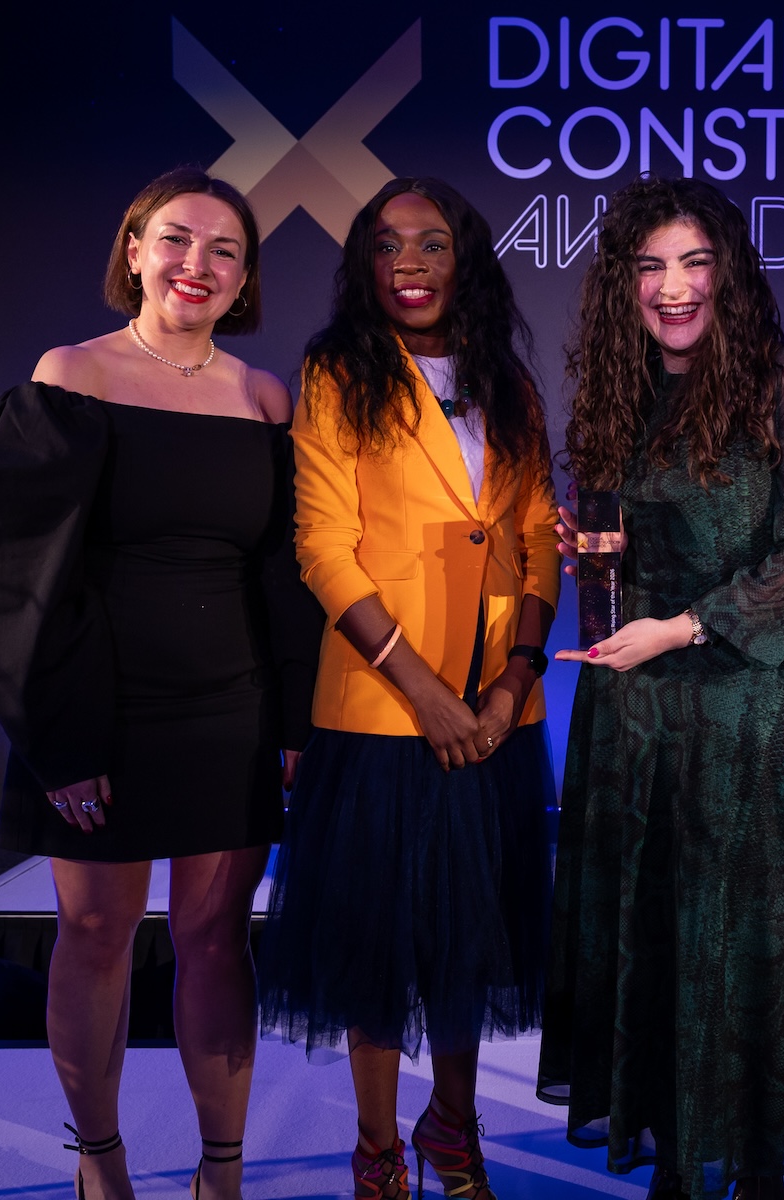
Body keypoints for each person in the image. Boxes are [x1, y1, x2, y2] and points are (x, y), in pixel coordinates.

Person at [0, 167, 321, 1200]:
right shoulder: (72, 374)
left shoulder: (263, 395)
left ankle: (220, 1172)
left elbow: (284, 575)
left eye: (225, 250)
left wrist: (295, 716)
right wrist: (59, 739)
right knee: (98, 934)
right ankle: (99, 1159)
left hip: (232, 712)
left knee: (215, 940)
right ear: (136, 250)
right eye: (178, 240)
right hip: (98, 709)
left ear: (245, 277)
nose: (198, 264)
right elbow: (6, 565)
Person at [538, 176, 784, 1200]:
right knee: (657, 936)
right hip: (641, 716)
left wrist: (681, 627)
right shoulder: (622, 395)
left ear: (731, 273)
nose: (672, 287)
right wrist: (592, 555)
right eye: (649, 267)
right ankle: (678, 1164)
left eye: (694, 262)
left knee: (749, 942)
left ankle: (754, 1168)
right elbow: (632, 553)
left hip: (755, 715)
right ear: (622, 286)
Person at [257, 177, 560, 1200]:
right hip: (385, 704)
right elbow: (322, 547)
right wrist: (427, 692)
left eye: (432, 243)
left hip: (497, 708)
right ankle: (378, 1149)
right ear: (365, 266)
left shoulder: (508, 382)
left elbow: (537, 537)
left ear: (464, 256)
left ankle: (453, 1131)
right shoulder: (337, 370)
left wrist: (516, 678)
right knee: (377, 948)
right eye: (387, 246)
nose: (410, 263)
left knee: (469, 940)